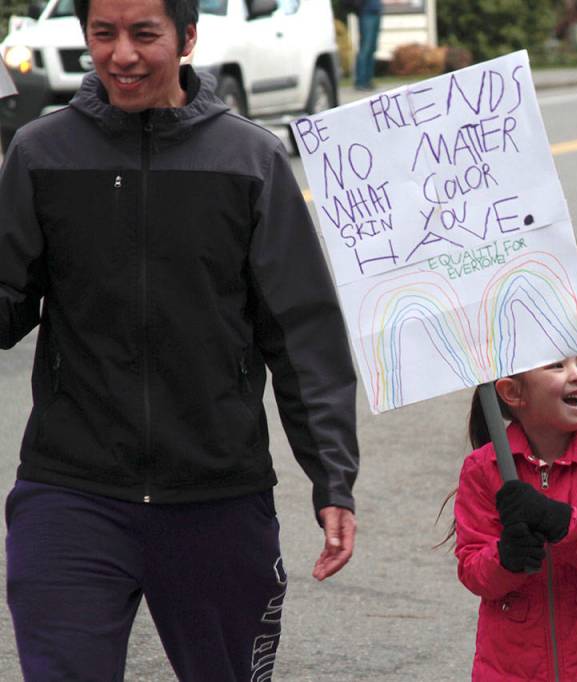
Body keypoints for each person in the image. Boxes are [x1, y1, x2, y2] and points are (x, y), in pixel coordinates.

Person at [0, 0, 360, 678]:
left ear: (188, 36)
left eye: (144, 34)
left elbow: (301, 333)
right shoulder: (40, 153)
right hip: (71, 492)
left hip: (217, 497)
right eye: (103, 34)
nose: (121, 55)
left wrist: (332, 477)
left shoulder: (250, 160)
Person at [451, 355, 577, 681]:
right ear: (513, 392)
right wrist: (507, 558)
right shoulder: (482, 469)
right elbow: (474, 571)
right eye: (557, 366)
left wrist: (558, 520)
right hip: (511, 667)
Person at [354, 0, 381, 91]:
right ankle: (360, 81)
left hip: (376, 10)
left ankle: (368, 80)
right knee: (366, 48)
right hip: (366, 12)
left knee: (372, 48)